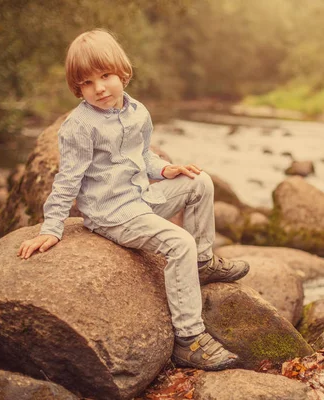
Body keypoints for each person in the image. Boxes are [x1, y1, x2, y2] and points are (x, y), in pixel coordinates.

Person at [17, 29, 249, 371]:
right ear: (77, 89)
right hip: (113, 213)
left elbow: (143, 156)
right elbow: (67, 180)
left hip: (143, 195)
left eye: (106, 76)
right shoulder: (79, 127)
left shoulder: (137, 111)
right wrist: (52, 227)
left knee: (200, 182)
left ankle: (201, 264)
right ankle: (189, 339)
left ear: (123, 73)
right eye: (86, 82)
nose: (99, 87)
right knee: (178, 241)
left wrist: (166, 169)